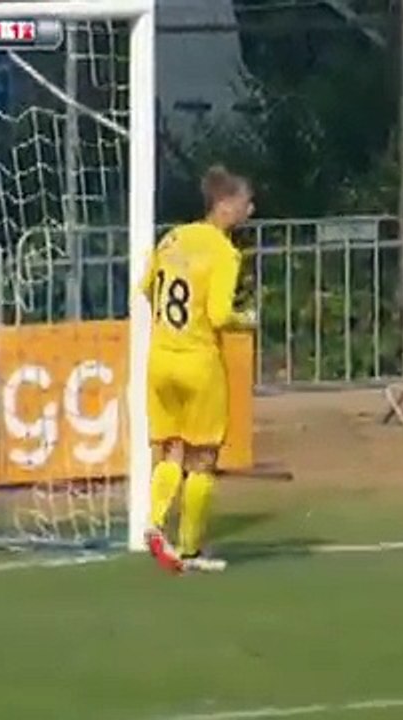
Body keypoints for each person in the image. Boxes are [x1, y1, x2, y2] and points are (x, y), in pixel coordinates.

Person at [139, 165, 255, 574]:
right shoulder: (224, 252)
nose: (250, 210)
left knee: (170, 449)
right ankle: (190, 548)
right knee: (203, 458)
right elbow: (221, 313)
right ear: (224, 205)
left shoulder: (172, 238)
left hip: (160, 359)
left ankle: (154, 523)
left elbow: (145, 286)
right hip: (198, 363)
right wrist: (247, 319)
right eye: (245, 203)